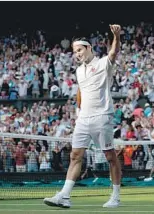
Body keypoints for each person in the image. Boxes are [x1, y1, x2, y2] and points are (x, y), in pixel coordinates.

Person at [44, 24, 122, 208]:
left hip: (103, 116)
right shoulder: (79, 71)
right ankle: (64, 195)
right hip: (83, 119)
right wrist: (79, 108)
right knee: (75, 155)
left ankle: (116, 197)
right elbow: (81, 90)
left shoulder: (103, 63)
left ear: (88, 48)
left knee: (110, 157)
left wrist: (116, 36)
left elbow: (114, 52)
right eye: (75, 51)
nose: (77, 54)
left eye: (80, 50)